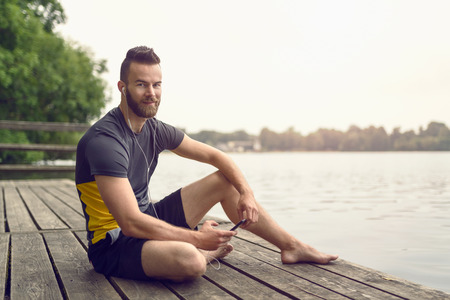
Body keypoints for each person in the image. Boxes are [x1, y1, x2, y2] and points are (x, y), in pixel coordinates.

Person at [75, 46, 338, 282]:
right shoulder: (105, 141)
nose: (151, 93)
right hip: (114, 243)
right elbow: (131, 222)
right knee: (190, 260)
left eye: (157, 85)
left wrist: (246, 193)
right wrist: (198, 239)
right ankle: (206, 253)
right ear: (123, 87)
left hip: (149, 219)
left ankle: (291, 246)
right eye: (141, 85)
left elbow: (217, 157)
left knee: (225, 181)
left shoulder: (155, 129)